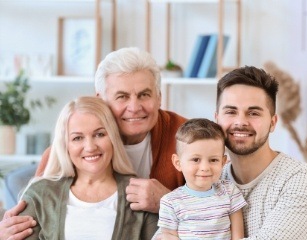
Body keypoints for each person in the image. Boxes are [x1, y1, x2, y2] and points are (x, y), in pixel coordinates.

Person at [0, 47, 186, 239]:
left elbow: (217, 218)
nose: (134, 107)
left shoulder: (187, 138)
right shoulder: (63, 152)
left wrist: (167, 201)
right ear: (101, 100)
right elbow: (39, 208)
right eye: (122, 96)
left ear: (159, 98)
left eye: (144, 95)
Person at [215, 66, 307, 239]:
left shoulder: (303, 180)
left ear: (273, 122)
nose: (240, 122)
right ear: (217, 119)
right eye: (231, 112)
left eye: (253, 113)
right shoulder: (211, 181)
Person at [18, 96, 158, 239]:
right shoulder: (40, 194)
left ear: (113, 138)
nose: (90, 147)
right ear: (65, 145)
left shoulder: (141, 196)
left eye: (99, 134)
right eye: (77, 138)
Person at [153, 118, 246, 240]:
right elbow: (168, 236)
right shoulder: (170, 202)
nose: (205, 168)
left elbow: (238, 236)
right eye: (196, 160)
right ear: (178, 163)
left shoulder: (229, 192)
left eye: (213, 160)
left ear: (223, 162)